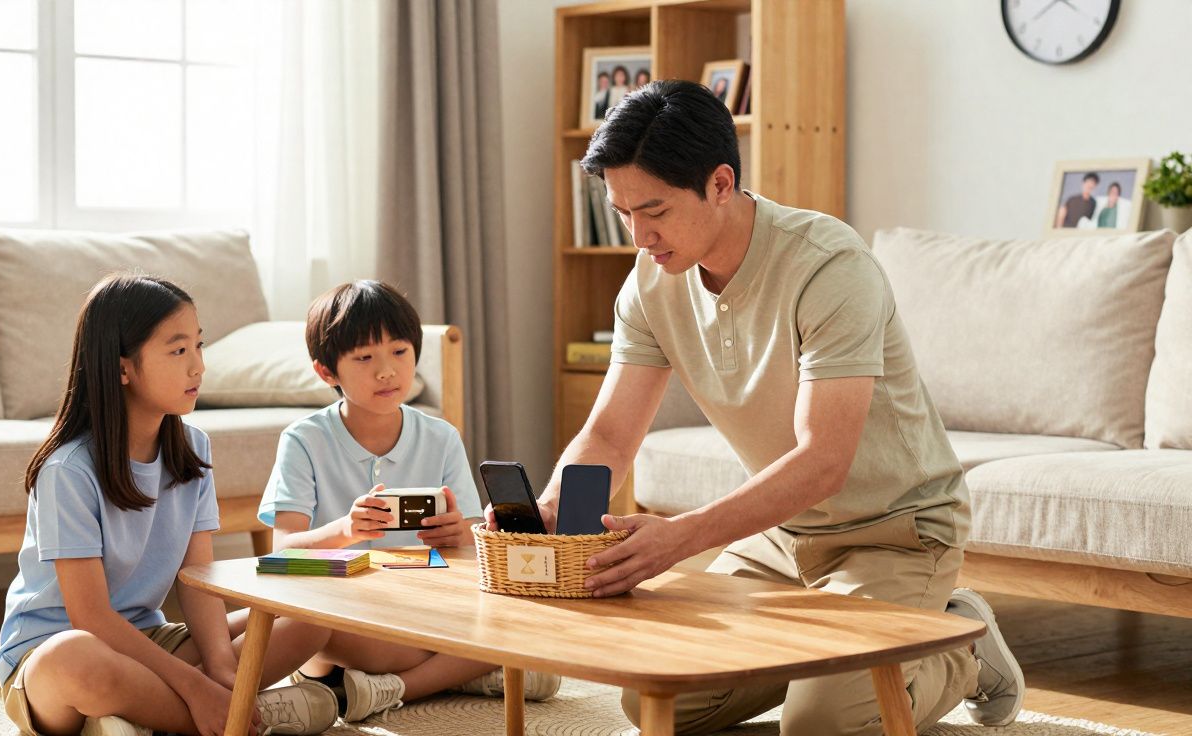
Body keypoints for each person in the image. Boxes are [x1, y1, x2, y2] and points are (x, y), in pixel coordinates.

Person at [496, 79, 1025, 735]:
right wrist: (551, 511)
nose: (639, 235)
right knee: (659, 703)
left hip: (894, 535)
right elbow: (608, 434)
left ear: (721, 183)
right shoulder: (650, 282)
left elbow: (823, 461)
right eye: (623, 211)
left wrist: (681, 537)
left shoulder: (827, 265)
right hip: (780, 538)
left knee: (822, 725)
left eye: (654, 210)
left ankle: (957, 643)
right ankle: (823, 655)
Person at [0, 274, 339, 736]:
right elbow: (90, 618)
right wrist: (196, 691)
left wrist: (221, 671)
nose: (198, 366)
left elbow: (197, 583)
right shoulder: (68, 471)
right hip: (54, 655)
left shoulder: (191, 448)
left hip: (148, 641)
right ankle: (240, 718)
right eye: (178, 351)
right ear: (122, 368)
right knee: (75, 660)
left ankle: (141, 719)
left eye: (199, 346)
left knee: (311, 613)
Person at [259, 280, 562, 723]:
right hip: (342, 616)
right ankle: (458, 674)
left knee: (520, 617)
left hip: (423, 604)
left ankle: (393, 687)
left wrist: (460, 533)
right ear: (327, 372)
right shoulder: (304, 440)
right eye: (364, 358)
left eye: (399, 352)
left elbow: (473, 550)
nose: (387, 371)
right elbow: (283, 551)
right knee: (330, 629)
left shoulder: (440, 436)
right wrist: (345, 530)